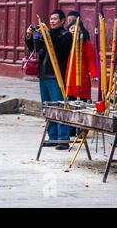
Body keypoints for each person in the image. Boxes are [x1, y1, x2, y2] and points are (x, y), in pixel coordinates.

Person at [25, 10, 73, 150]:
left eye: (55, 19)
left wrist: (48, 33)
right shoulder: (48, 34)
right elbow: (36, 48)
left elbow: (58, 48)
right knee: (48, 107)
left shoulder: (66, 35)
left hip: (57, 75)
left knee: (59, 107)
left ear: (62, 21)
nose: (51, 21)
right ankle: (52, 137)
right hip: (44, 75)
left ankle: (63, 139)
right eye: (51, 19)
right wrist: (29, 36)